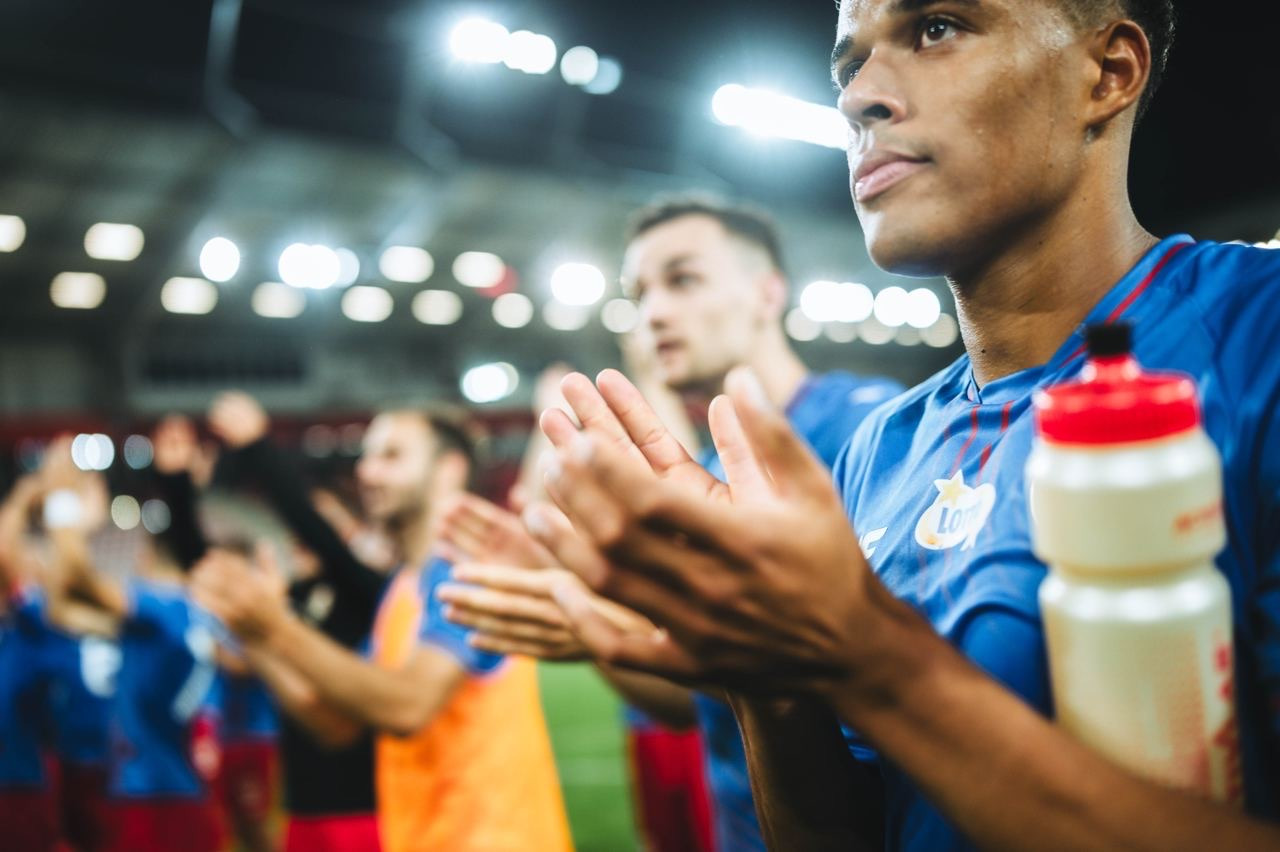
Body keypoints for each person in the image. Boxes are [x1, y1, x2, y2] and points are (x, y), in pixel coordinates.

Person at [517, 1, 1280, 849]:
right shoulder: (881, 448)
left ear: (1107, 73)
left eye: (937, 28)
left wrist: (871, 656)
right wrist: (766, 681)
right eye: (849, 66)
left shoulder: (1258, 340)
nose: (857, 98)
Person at [437, 197, 902, 850]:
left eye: (682, 279)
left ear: (768, 293)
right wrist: (586, 614)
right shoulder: (700, 470)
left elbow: (894, 681)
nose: (653, 312)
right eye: (639, 293)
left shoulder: (874, 429)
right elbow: (693, 703)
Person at [193, 408, 572, 852]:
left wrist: (276, 627)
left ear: (448, 470)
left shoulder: (467, 568)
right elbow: (337, 723)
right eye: (367, 457)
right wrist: (255, 634)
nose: (366, 472)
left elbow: (408, 706)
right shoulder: (401, 589)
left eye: (391, 456)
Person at [207, 392, 383, 852]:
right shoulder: (286, 597)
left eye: (318, 525)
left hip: (363, 807)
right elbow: (209, 556)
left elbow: (319, 536)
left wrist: (259, 450)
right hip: (302, 806)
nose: (302, 536)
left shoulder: (371, 594)